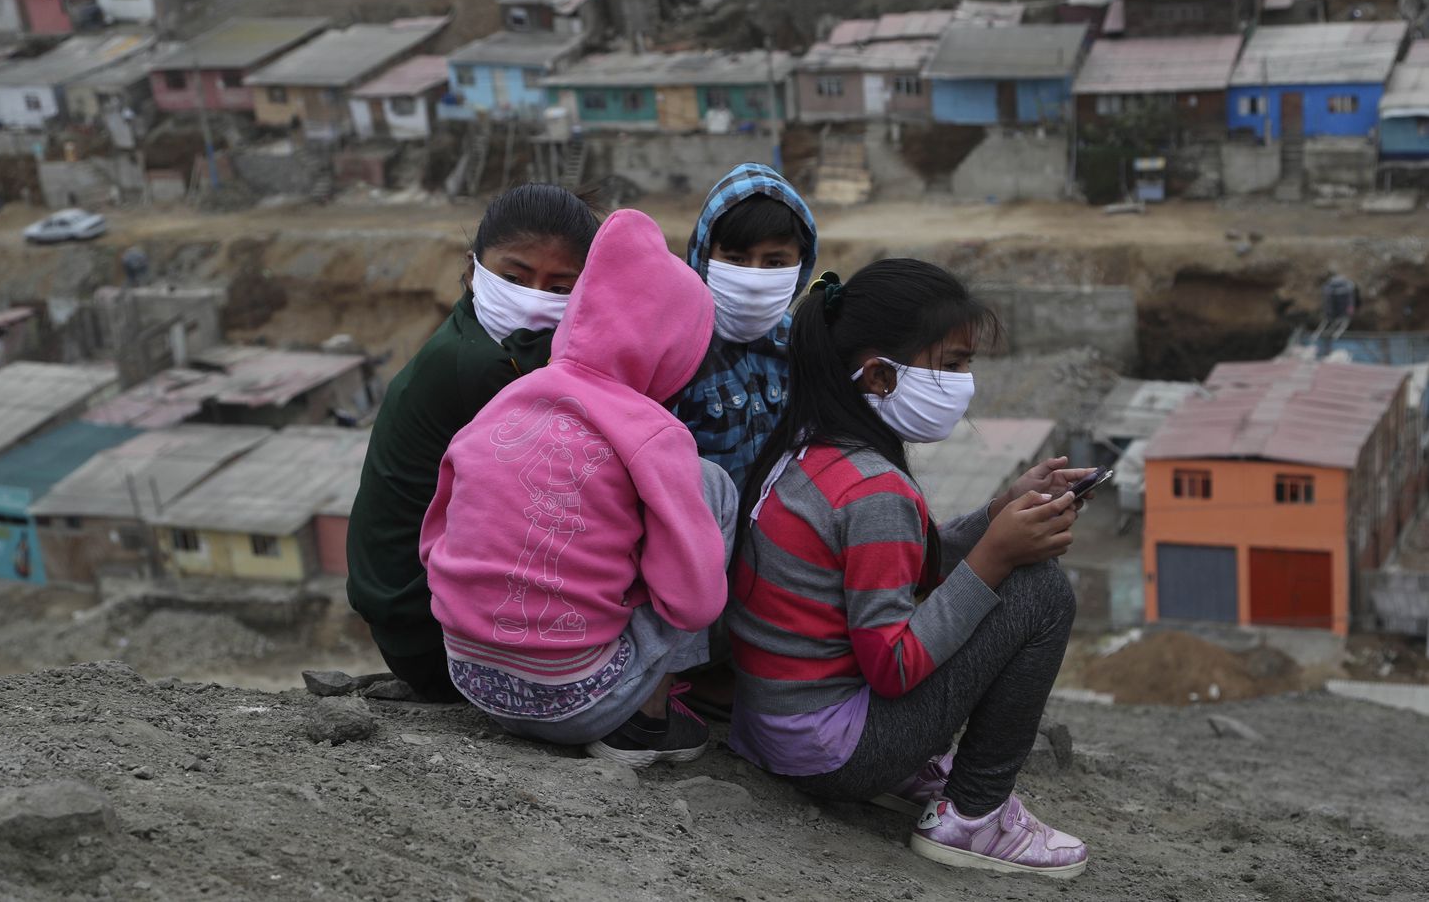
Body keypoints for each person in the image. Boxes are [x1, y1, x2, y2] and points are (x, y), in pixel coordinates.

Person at [728, 260, 1093, 879]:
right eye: (950, 365)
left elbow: (892, 564)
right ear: (878, 375)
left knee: (1013, 573)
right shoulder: (875, 490)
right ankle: (975, 817)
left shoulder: (810, 449)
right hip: (833, 753)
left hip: (774, 727)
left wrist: (994, 517)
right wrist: (997, 555)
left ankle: (931, 780)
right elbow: (893, 667)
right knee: (1039, 591)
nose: (964, 382)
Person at [421, 208, 736, 767]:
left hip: (468, 678)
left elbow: (434, 539)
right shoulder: (655, 433)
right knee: (709, 488)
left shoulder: (510, 398)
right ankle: (648, 721)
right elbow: (694, 604)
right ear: (674, 348)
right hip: (577, 703)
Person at [346, 184, 600, 702]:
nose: (534, 298)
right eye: (514, 277)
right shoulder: (481, 367)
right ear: (471, 269)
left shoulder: (486, 338)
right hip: (428, 634)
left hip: (415, 618)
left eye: (559, 287)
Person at [674, 163, 817, 496]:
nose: (753, 280)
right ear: (704, 256)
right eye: (736, 259)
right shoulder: (675, 349)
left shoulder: (800, 343)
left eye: (774, 263)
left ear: (801, 264)